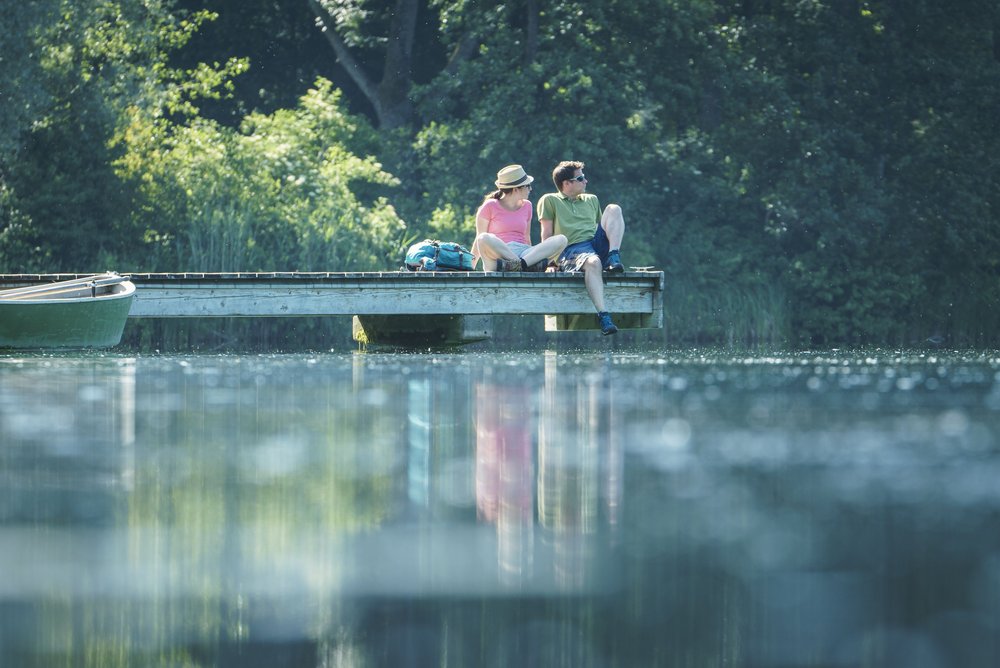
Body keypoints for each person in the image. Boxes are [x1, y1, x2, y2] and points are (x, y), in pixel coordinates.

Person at [537, 161, 625, 335]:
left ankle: (613, 255)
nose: (586, 181)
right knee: (593, 262)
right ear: (566, 183)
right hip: (572, 249)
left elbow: (605, 227)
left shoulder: (591, 199)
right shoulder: (549, 200)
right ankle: (604, 316)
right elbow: (546, 235)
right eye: (581, 178)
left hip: (594, 243)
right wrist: (550, 263)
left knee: (614, 208)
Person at [472, 165, 567, 272]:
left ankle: (520, 265)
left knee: (561, 239)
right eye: (528, 186)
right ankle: (523, 265)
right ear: (516, 189)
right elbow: (479, 241)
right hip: (498, 256)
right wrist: (470, 266)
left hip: (524, 254)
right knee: (483, 238)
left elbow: (526, 238)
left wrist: (531, 256)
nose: (530, 189)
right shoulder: (490, 206)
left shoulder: (527, 206)